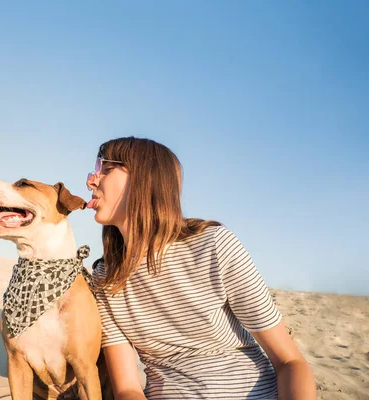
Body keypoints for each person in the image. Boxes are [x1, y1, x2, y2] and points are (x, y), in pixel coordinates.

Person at [85, 137, 315, 399]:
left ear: (143, 178)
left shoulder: (214, 246)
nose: (91, 180)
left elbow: (289, 362)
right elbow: (127, 388)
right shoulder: (106, 278)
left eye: (105, 168)